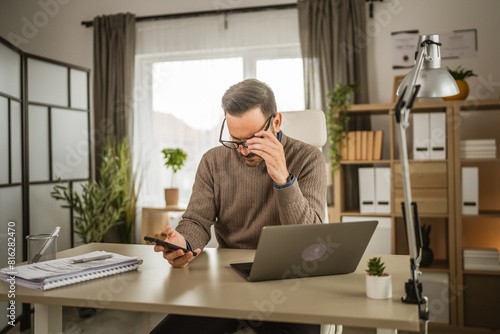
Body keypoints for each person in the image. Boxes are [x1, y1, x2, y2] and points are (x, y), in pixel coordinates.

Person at [151, 78, 326, 334]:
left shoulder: (309, 158)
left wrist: (282, 178)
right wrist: (184, 245)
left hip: (291, 281)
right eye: (235, 139)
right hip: (228, 282)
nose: (243, 151)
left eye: (253, 139)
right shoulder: (213, 161)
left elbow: (311, 242)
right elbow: (197, 221)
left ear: (276, 122)